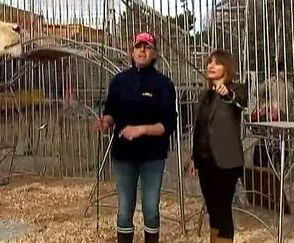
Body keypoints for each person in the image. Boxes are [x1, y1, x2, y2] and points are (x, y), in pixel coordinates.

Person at [95, 32, 177, 243]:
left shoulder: (163, 84)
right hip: (124, 155)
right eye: (138, 46)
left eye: (147, 47)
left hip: (152, 156)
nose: (142, 50)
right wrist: (105, 122)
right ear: (132, 51)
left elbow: (167, 125)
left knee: (150, 208)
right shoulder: (119, 81)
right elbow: (111, 111)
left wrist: (140, 130)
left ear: (154, 53)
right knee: (124, 208)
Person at [192, 49, 247, 243]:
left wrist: (227, 93)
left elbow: (239, 102)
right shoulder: (205, 95)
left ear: (227, 67)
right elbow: (199, 129)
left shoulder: (237, 89)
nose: (211, 66)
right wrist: (193, 158)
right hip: (205, 161)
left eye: (217, 63)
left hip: (226, 163)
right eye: (209, 62)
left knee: (222, 211)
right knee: (213, 210)